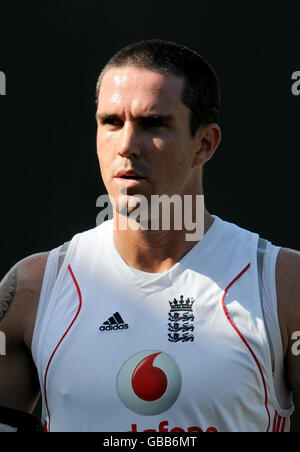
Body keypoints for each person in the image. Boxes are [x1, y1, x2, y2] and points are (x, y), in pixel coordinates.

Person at [0, 39, 299, 433]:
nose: (126, 145)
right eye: (111, 122)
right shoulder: (34, 290)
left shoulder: (282, 286)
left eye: (153, 124)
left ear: (204, 144)